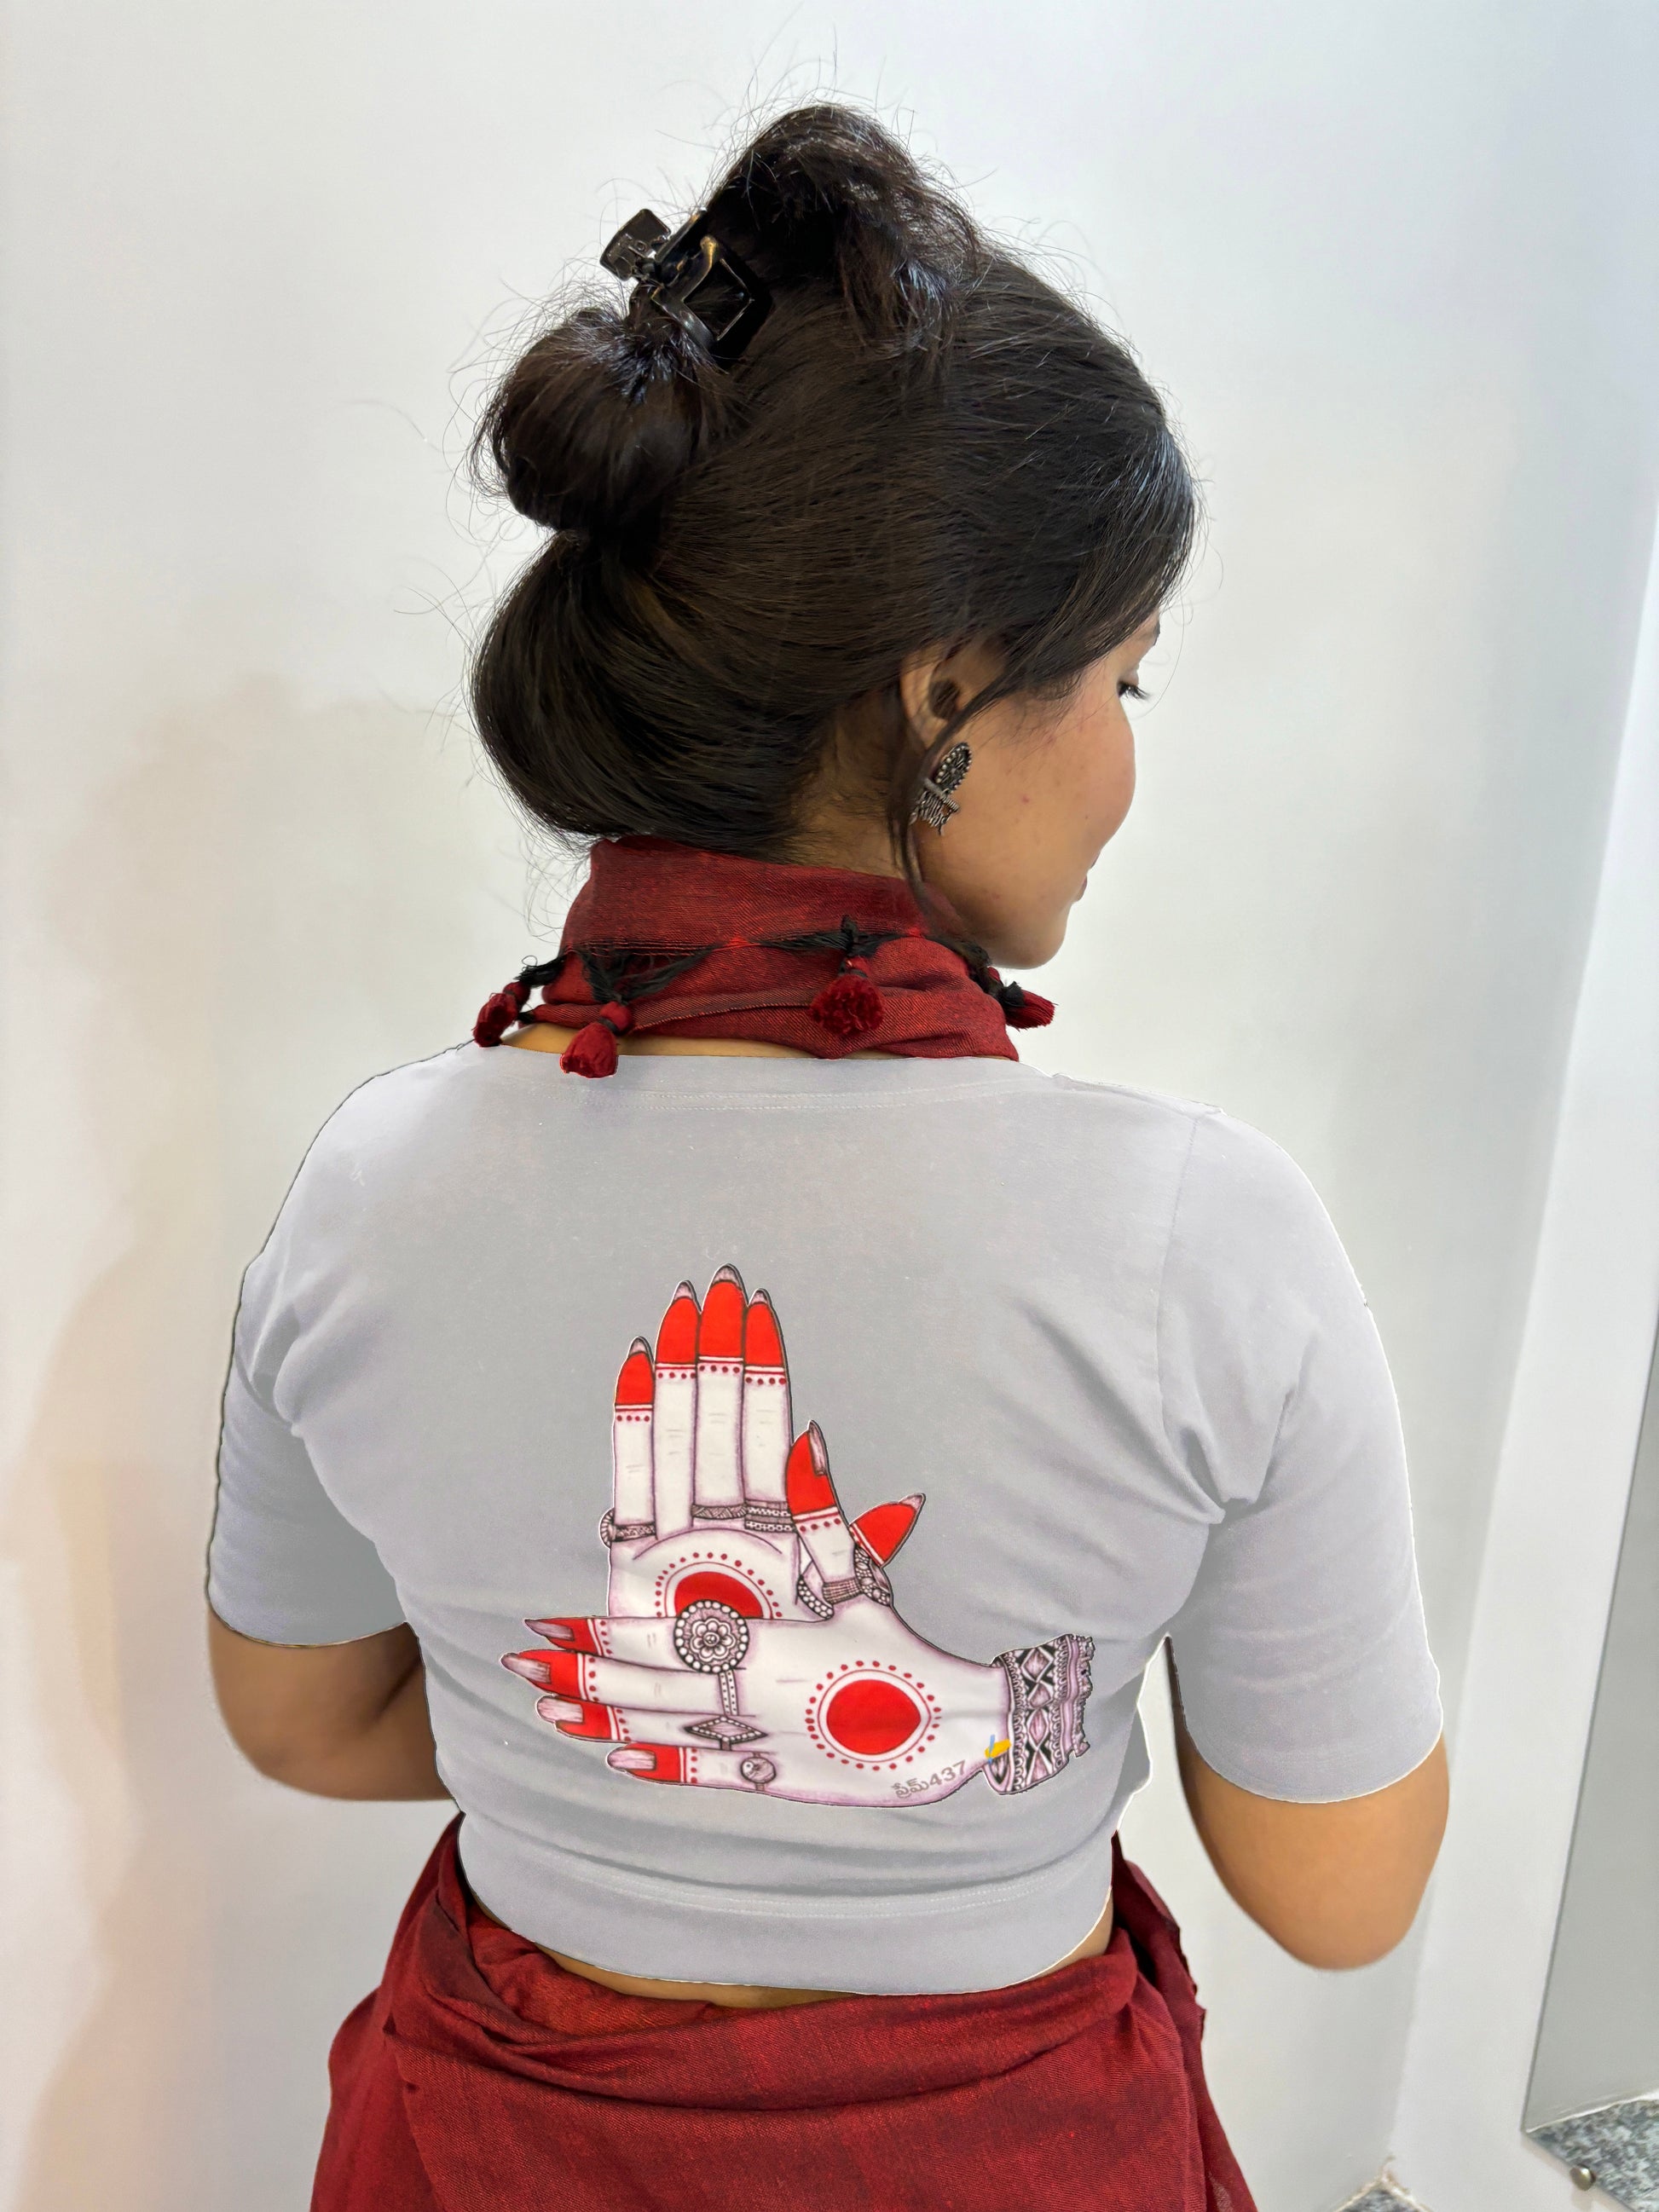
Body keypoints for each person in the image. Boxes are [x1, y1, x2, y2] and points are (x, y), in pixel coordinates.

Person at [205, 101, 1447, 2212]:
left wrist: (666, 1744)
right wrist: (904, 1736)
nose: (1123, 764)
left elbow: (302, 1721)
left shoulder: (374, 1185)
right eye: (1124, 683)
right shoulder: (1199, 1237)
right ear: (947, 688)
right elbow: (1339, 1886)